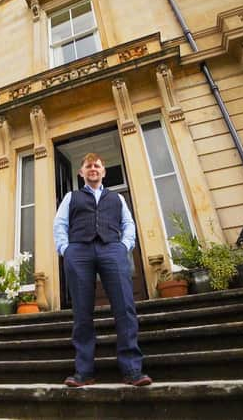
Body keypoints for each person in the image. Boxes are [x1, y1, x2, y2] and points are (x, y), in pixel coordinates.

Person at [53, 152, 151, 387]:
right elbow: (60, 224)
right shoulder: (71, 197)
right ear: (81, 172)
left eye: (97, 165)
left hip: (112, 250)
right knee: (82, 312)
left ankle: (132, 370)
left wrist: (125, 246)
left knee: (125, 308)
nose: (93, 169)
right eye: (88, 166)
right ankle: (84, 372)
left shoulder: (117, 198)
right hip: (79, 251)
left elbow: (128, 224)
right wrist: (66, 249)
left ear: (103, 171)